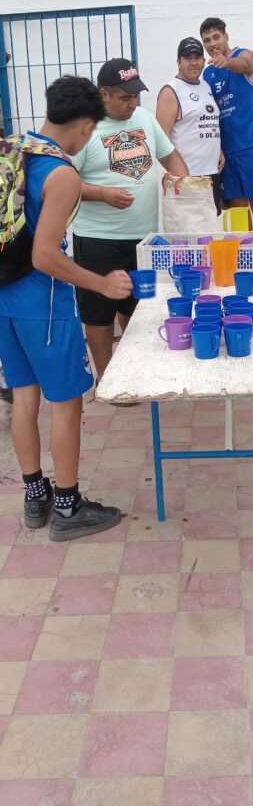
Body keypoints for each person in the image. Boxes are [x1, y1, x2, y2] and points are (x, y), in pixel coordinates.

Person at [0, 75, 131, 540]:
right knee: (66, 404)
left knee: (24, 397)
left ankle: (36, 497)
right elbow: (45, 256)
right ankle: (69, 507)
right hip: (46, 306)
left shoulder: (17, 148)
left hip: (6, 297)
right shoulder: (62, 173)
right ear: (86, 125)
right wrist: (102, 283)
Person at [72, 57, 188, 383]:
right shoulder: (83, 129)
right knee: (99, 313)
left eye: (135, 95)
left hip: (143, 239)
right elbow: (62, 182)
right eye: (125, 97)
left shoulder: (144, 119)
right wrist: (102, 194)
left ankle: (133, 370)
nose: (132, 103)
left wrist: (186, 186)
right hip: (98, 240)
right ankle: (107, 378)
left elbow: (170, 156)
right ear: (103, 94)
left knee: (136, 307)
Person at [200, 17, 253, 236]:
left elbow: (246, 65)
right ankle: (246, 254)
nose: (213, 43)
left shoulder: (245, 55)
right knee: (238, 207)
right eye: (207, 40)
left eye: (216, 37)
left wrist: (227, 62)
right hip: (227, 150)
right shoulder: (208, 74)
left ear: (226, 36)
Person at [156, 36, 223, 232]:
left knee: (210, 232)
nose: (193, 62)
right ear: (178, 61)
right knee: (189, 236)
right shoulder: (171, 91)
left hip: (210, 175)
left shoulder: (205, 87)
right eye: (187, 58)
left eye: (197, 57)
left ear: (203, 60)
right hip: (188, 179)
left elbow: (206, 122)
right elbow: (160, 140)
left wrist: (218, 149)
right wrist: (180, 176)